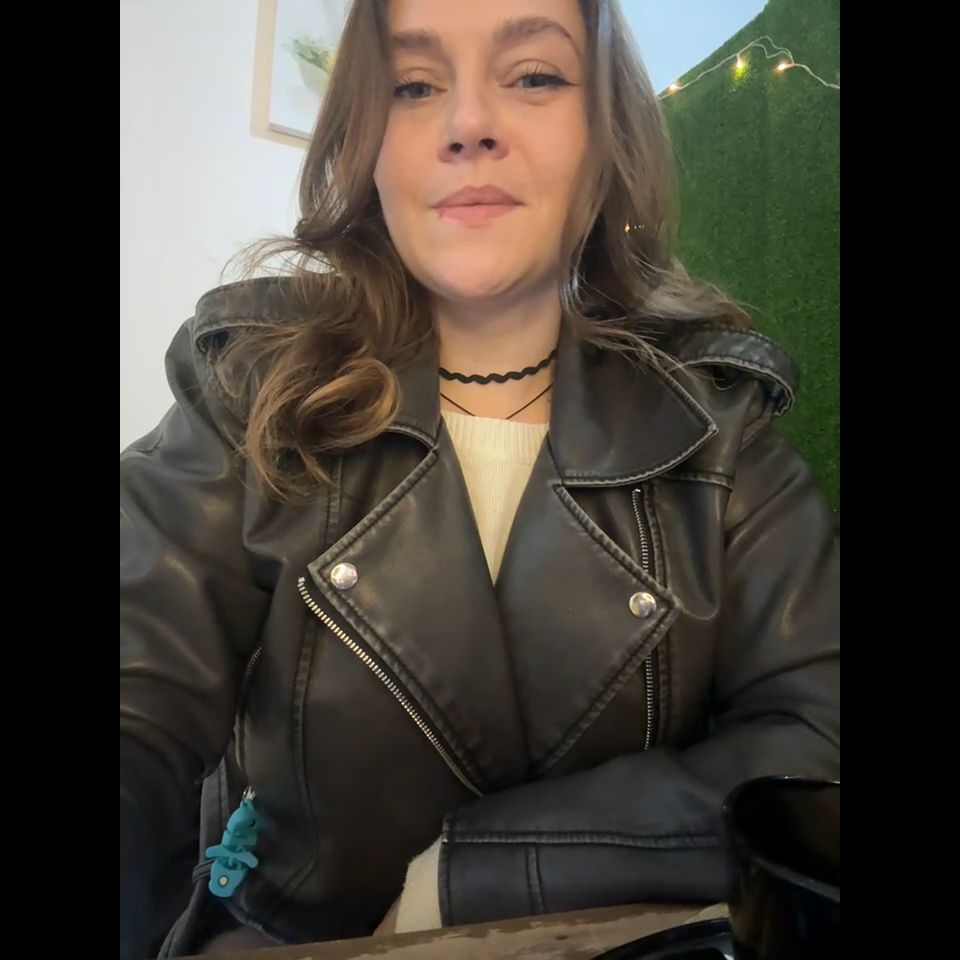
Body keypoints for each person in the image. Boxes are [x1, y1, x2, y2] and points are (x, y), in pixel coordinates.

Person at [120, 0, 840, 956]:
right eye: (413, 86)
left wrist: (479, 873)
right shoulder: (249, 392)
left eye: (534, 76)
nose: (467, 124)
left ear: (605, 136)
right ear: (367, 143)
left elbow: (815, 745)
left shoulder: (721, 432)